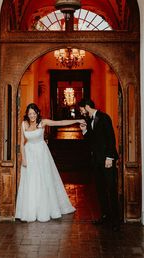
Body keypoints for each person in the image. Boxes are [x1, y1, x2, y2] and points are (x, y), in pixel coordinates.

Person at [15, 103, 85, 222]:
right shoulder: (24, 124)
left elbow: (60, 122)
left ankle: (44, 209)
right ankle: (30, 210)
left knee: (43, 180)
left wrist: (78, 120)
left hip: (41, 154)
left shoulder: (43, 122)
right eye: (30, 113)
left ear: (37, 113)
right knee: (30, 181)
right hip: (29, 154)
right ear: (27, 114)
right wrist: (24, 158)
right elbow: (22, 142)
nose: (32, 116)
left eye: (34, 113)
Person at [78, 99, 120, 231]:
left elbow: (111, 138)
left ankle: (116, 220)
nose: (81, 112)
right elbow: (91, 140)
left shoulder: (104, 118)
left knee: (111, 189)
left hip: (107, 160)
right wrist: (84, 131)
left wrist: (109, 157)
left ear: (86, 107)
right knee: (100, 189)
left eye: (81, 109)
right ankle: (105, 215)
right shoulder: (90, 120)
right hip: (96, 161)